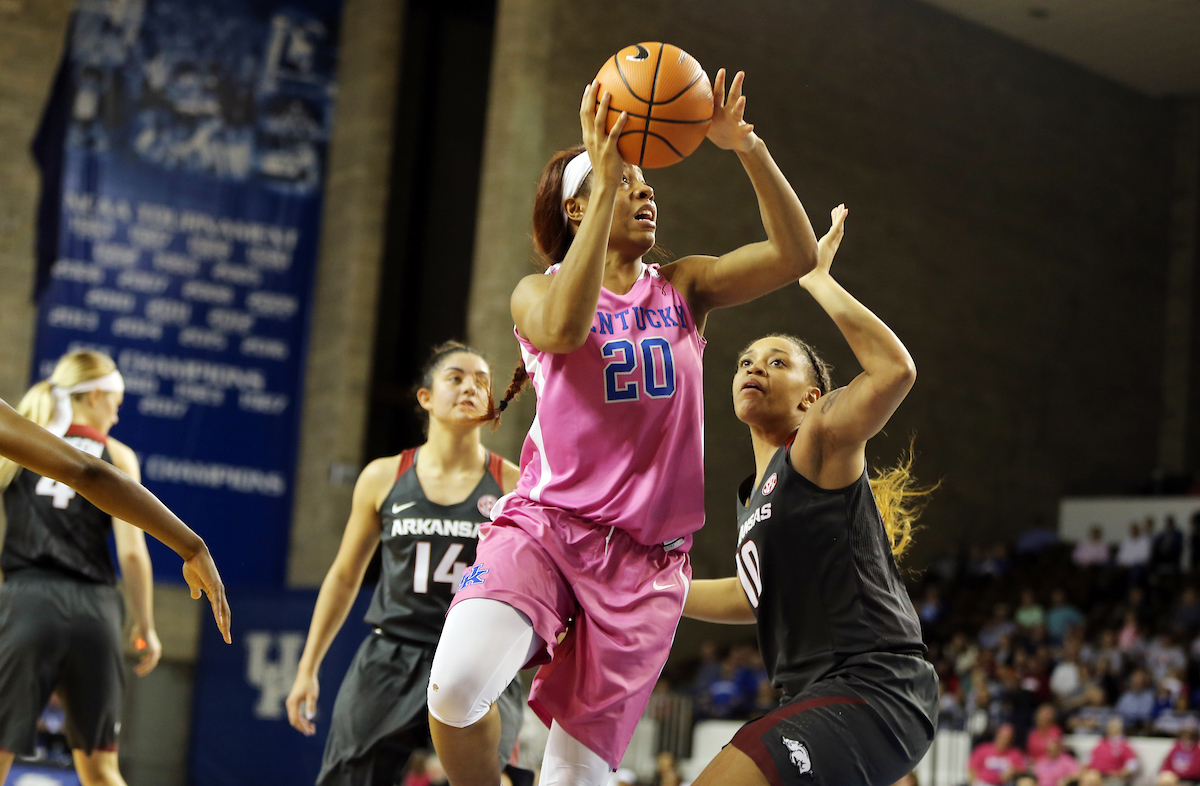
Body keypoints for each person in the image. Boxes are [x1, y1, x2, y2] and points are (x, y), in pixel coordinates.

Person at [426, 70, 822, 786]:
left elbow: (797, 256)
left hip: (646, 564)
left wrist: (747, 148)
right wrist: (607, 178)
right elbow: (568, 327)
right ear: (579, 209)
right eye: (627, 184)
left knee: (574, 778)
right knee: (455, 688)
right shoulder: (534, 293)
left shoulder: (684, 287)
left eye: (647, 185)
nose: (647, 193)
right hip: (547, 531)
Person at [680, 206, 937, 786]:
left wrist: (818, 280)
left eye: (777, 361)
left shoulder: (817, 439)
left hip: (873, 686)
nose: (754, 367)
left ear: (811, 396)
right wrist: (652, 591)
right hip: (814, 695)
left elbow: (895, 372)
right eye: (746, 361)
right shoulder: (752, 497)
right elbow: (752, 596)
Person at [284, 344, 530, 786]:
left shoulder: (513, 483)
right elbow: (343, 576)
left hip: (477, 657)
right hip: (394, 651)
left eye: (480, 381)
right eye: (455, 377)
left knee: (493, 778)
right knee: (346, 776)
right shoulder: (384, 476)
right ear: (426, 398)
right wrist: (307, 667)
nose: (470, 387)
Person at [0, 350, 230, 786]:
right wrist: (146, 623)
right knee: (102, 770)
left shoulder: (21, 446)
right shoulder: (116, 454)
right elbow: (130, 553)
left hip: (26, 600)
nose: (117, 417)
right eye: (116, 405)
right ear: (96, 396)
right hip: (95, 610)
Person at [1088, 717, 1140, 783]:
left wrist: (1121, 774)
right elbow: (1088, 759)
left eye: (1114, 727)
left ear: (1120, 729)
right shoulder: (1101, 743)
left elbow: (1132, 765)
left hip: (1112, 777)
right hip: (1095, 774)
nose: (1111, 729)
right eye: (1110, 727)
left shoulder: (1125, 745)